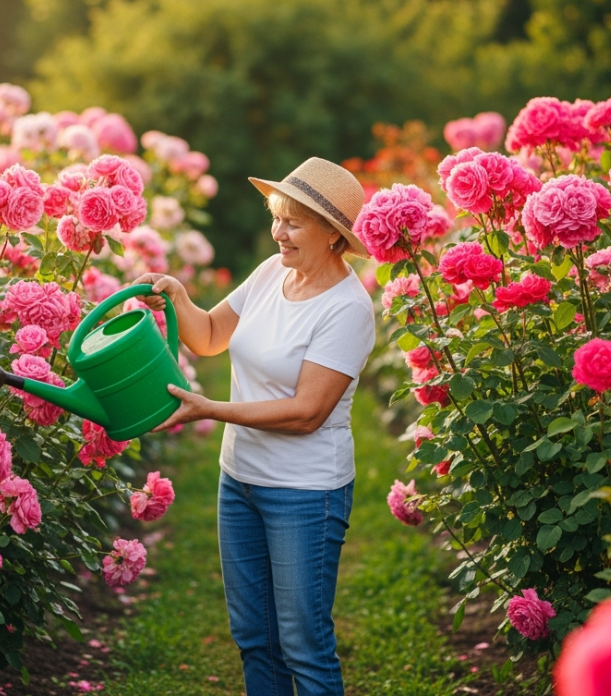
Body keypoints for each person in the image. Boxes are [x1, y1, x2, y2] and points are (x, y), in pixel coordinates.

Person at [133, 157, 376, 695]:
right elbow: (213, 334)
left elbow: (307, 412)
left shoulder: (347, 309)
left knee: (304, 644)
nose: (277, 232)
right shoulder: (272, 273)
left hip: (306, 492)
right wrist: (178, 295)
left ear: (333, 235)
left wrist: (210, 408)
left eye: (292, 221)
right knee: (254, 638)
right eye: (276, 216)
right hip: (240, 480)